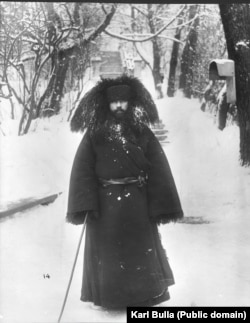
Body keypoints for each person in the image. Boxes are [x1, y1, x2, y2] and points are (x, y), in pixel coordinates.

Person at [66, 74, 184, 309]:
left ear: (131, 103)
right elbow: (82, 170)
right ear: (106, 104)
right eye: (114, 102)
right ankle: (110, 298)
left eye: (123, 101)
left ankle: (144, 296)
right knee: (109, 254)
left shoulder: (141, 131)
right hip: (105, 204)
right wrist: (85, 204)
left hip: (137, 202)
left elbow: (159, 168)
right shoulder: (94, 133)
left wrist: (161, 204)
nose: (119, 106)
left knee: (139, 249)